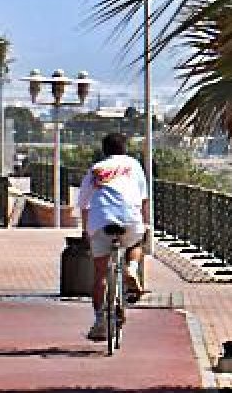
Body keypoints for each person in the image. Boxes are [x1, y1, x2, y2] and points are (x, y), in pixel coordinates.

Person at [78, 132, 149, 341]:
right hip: (130, 218)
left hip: (101, 221)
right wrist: (145, 224)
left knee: (100, 274)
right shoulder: (134, 165)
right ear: (124, 149)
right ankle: (131, 268)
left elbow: (83, 204)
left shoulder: (95, 170)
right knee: (136, 242)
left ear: (104, 151)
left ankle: (100, 321)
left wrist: (85, 231)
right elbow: (144, 199)